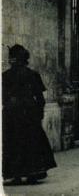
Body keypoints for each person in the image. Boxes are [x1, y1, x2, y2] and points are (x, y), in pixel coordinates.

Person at [2, 44, 57, 185]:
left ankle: (16, 176)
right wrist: (39, 113)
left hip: (12, 113)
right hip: (29, 113)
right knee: (32, 142)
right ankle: (33, 173)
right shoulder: (32, 74)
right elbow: (40, 98)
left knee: (13, 143)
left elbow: (3, 97)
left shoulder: (5, 76)